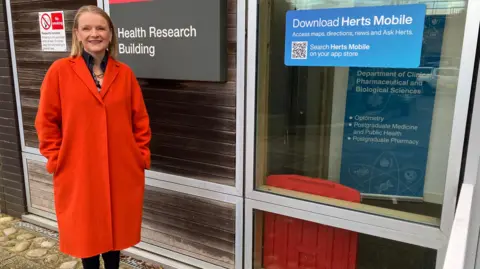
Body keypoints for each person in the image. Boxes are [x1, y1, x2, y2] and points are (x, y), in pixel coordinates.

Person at [34, 5, 151, 269]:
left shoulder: (125, 74)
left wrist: (140, 156)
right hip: (78, 169)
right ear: (76, 34)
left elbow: (140, 121)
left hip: (121, 169)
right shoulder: (60, 71)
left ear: (110, 34)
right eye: (86, 28)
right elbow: (46, 121)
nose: (94, 33)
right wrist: (56, 159)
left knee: (115, 235)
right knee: (86, 235)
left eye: (100, 28)